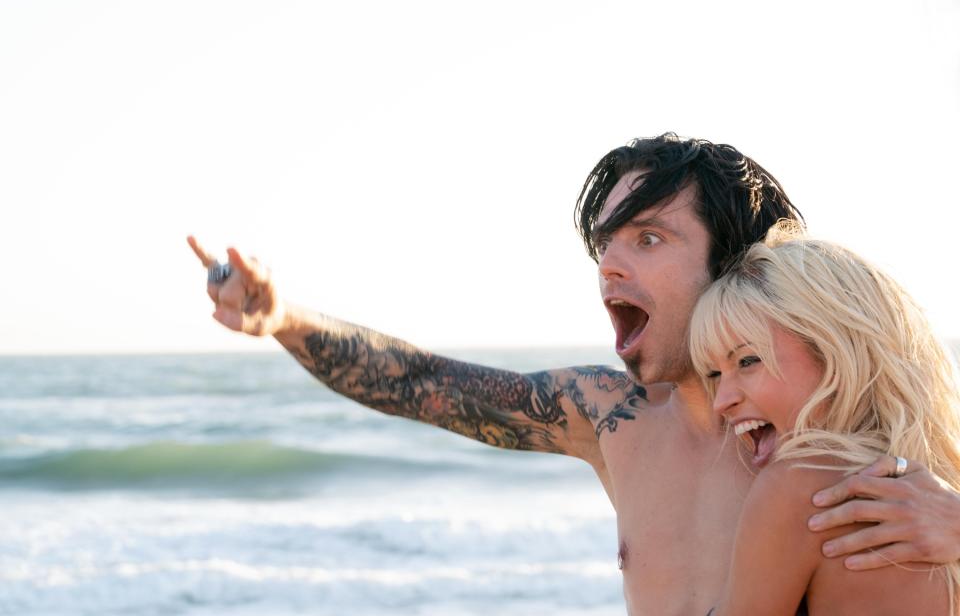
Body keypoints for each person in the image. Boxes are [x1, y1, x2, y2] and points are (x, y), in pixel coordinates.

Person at [188, 134, 960, 615]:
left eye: (648, 239)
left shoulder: (832, 430)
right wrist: (285, 321)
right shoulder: (609, 416)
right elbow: (425, 385)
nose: (611, 265)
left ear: (736, 259)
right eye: (605, 245)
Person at [690, 226, 960, 614]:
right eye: (714, 375)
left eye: (748, 361)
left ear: (834, 349)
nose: (722, 402)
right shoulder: (939, 503)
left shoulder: (800, 483)